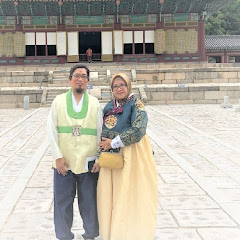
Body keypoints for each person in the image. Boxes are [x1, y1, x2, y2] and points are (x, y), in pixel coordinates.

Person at [96, 73, 158, 240]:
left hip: (133, 156)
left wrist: (113, 143)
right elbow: (100, 132)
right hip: (111, 159)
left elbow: (138, 130)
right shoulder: (109, 107)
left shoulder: (137, 105)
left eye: (122, 85)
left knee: (129, 194)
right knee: (111, 196)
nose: (119, 88)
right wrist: (99, 155)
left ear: (128, 86)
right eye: (115, 86)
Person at [47, 65, 103, 240]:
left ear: (88, 81)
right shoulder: (58, 101)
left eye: (84, 76)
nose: (80, 79)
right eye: (77, 76)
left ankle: (91, 234)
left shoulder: (95, 103)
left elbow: (101, 132)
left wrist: (100, 158)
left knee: (90, 202)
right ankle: (64, 235)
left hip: (89, 161)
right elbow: (51, 130)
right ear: (70, 79)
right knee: (62, 202)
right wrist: (57, 157)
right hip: (65, 161)